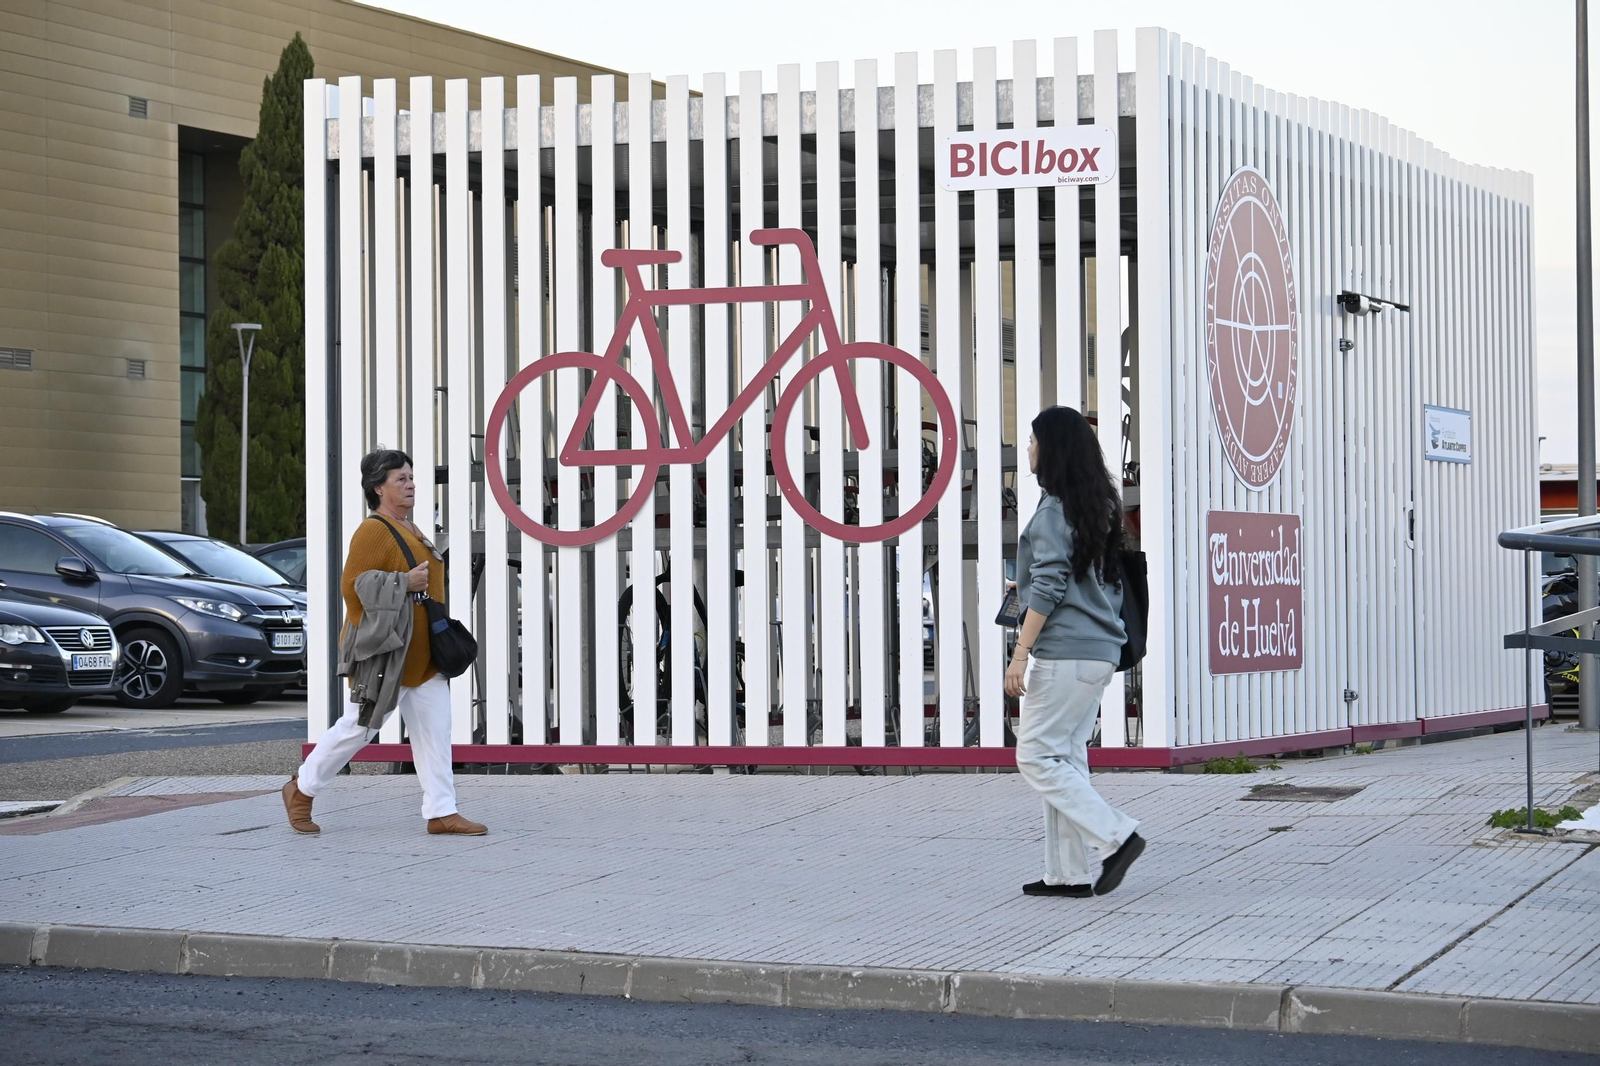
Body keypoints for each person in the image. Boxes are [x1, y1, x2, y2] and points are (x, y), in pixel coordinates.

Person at [281, 448, 487, 836]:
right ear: (378, 488)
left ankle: (441, 812)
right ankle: (302, 789)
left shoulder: (410, 526)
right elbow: (352, 589)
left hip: (424, 657)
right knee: (358, 728)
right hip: (390, 657)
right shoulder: (374, 530)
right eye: (401, 479)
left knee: (435, 733)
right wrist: (403, 584)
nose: (411, 485)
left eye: (411, 477)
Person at [1006, 406, 1143, 897]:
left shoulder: (1051, 511)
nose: (1029, 448)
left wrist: (1021, 652)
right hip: (1099, 650)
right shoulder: (1096, 505)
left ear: (1052, 449)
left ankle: (1117, 835)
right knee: (1065, 756)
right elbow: (1076, 577)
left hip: (1066, 652)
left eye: (1032, 439)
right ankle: (1067, 873)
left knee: (1036, 756)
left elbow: (1049, 587)